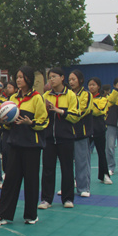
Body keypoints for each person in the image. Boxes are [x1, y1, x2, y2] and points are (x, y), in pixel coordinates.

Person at [0, 66, 48, 226]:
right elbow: (7, 124)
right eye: (17, 77)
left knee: (31, 181)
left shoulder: (37, 98)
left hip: (31, 146)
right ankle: (3, 214)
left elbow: (44, 121)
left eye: (21, 77)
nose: (18, 80)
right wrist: (4, 121)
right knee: (10, 180)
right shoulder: (13, 99)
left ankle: (31, 215)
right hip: (15, 144)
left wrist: (30, 123)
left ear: (28, 79)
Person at [39, 67, 80, 209]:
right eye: (50, 77)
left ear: (62, 78)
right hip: (49, 138)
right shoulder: (45, 96)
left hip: (66, 138)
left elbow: (75, 116)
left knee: (67, 169)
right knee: (47, 170)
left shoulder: (71, 95)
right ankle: (46, 199)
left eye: (54, 76)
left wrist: (59, 111)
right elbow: (41, 115)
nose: (51, 79)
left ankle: (68, 199)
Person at [69, 70, 93, 198]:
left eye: (74, 79)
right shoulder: (67, 94)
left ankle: (84, 187)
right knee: (67, 162)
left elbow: (82, 110)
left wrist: (67, 114)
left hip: (81, 133)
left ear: (81, 80)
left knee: (82, 161)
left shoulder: (86, 95)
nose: (71, 82)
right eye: (69, 79)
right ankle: (68, 187)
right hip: (67, 133)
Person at [87, 77, 110, 184]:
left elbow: (98, 111)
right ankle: (79, 178)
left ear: (98, 87)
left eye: (93, 85)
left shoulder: (103, 99)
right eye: (89, 85)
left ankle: (104, 175)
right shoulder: (85, 98)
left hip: (99, 129)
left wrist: (88, 104)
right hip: (86, 129)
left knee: (101, 153)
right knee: (83, 155)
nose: (91, 87)